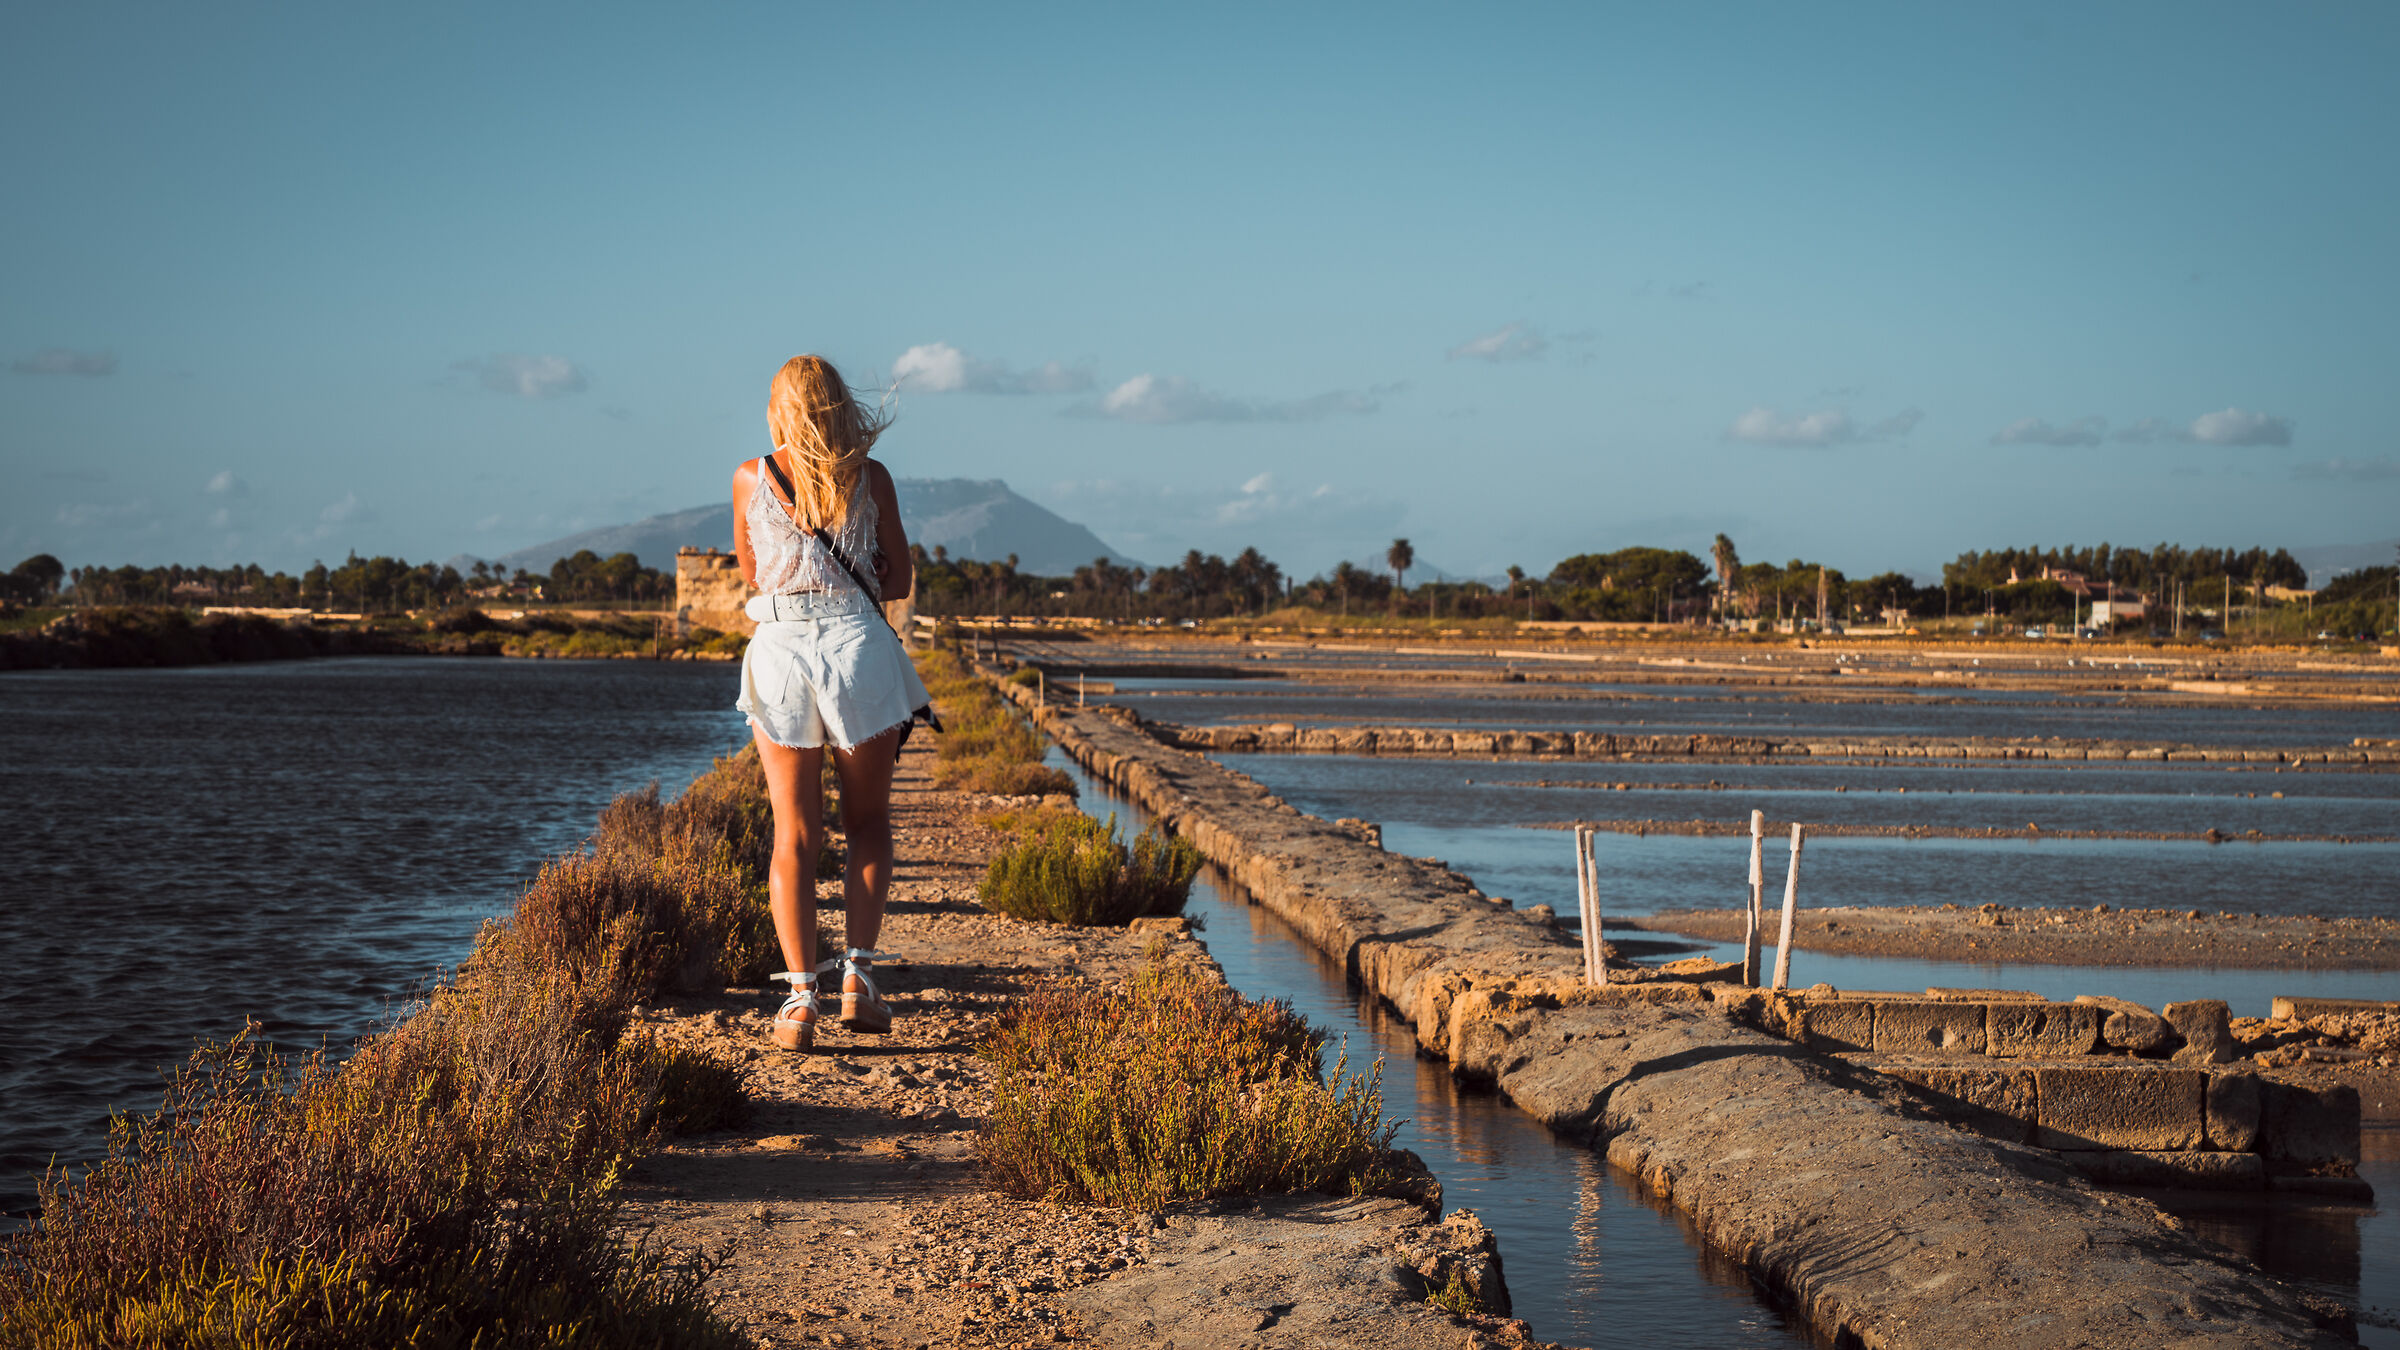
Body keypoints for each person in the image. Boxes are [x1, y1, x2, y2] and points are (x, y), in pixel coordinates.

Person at [731, 354, 928, 1052]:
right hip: (857, 648)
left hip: (781, 648)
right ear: (841, 404)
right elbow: (899, 581)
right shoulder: (872, 479)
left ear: (779, 406)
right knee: (868, 820)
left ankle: (799, 1001)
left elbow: (754, 575)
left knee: (794, 831)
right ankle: (859, 980)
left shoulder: (752, 477)